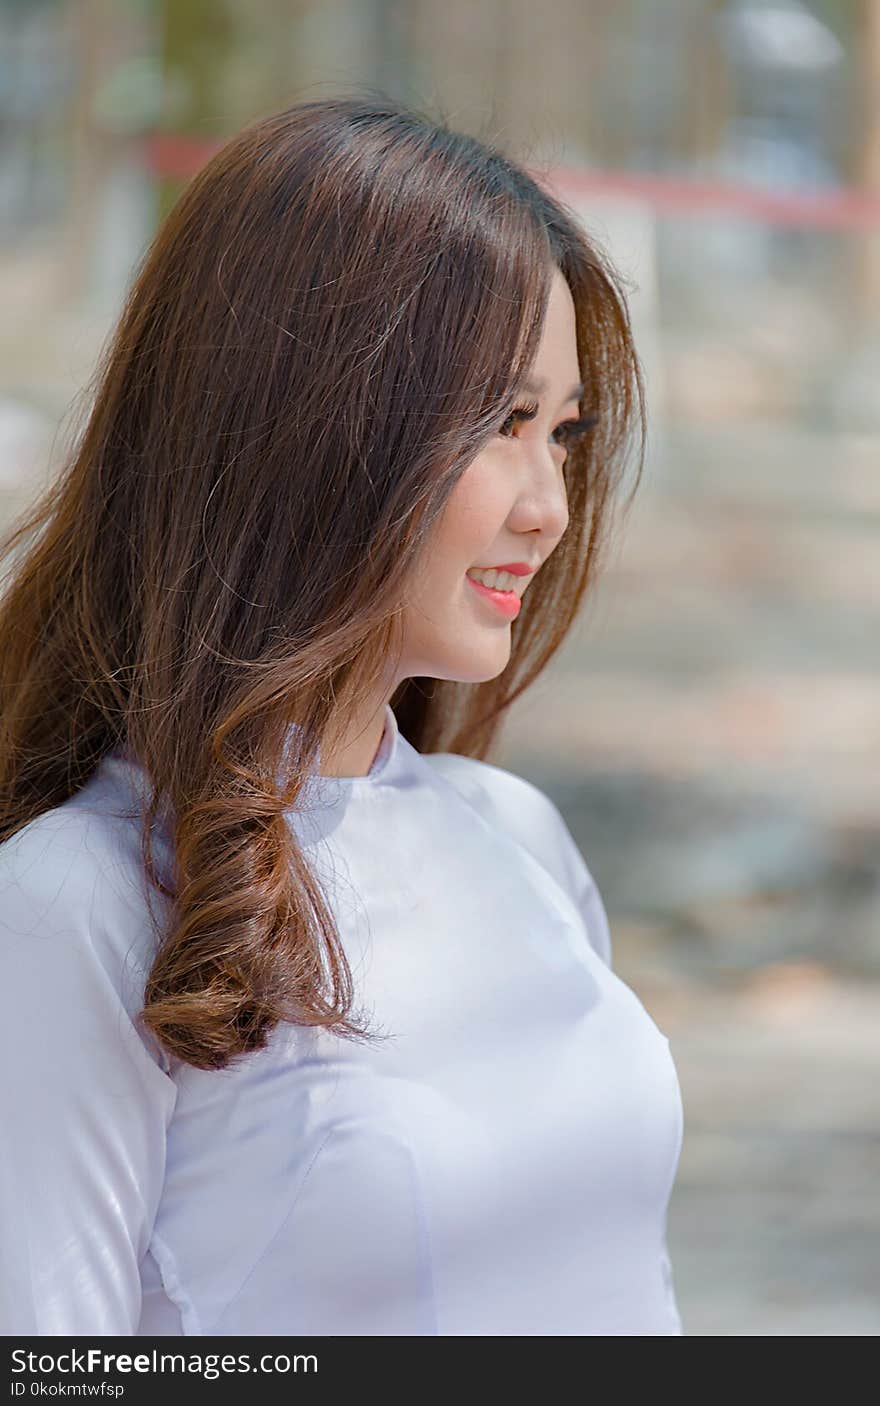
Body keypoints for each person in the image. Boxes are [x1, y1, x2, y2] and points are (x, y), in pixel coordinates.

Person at [0, 94, 684, 1336]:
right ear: (310, 432)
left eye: (566, 432)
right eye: (501, 424)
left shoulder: (517, 838)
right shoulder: (79, 903)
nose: (549, 504)